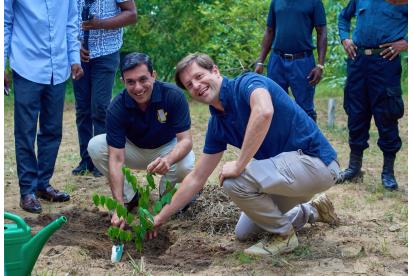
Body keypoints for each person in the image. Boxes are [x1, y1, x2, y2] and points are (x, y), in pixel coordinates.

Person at [147, 53, 340, 256]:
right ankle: (313, 210)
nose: (196, 85)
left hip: (316, 164)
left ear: (215, 71)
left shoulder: (248, 83)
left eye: (199, 76)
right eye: (189, 84)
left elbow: (264, 111)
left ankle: (284, 237)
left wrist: (240, 164)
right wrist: (161, 217)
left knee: (234, 180)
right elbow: (196, 178)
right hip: (290, 178)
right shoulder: (217, 124)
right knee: (245, 232)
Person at [87, 53, 195, 228]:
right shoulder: (117, 107)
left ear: (153, 75)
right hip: (133, 150)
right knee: (96, 145)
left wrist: (168, 159)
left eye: (143, 79)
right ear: (123, 81)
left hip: (166, 149)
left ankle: (166, 194)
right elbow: (116, 158)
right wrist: (118, 204)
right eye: (130, 82)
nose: (138, 88)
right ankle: (129, 197)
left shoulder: (173, 95)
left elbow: (186, 141)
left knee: (186, 162)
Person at [4, 0, 84, 213]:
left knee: (52, 130)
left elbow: (70, 23)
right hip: (26, 65)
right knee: (25, 132)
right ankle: (27, 191)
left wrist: (74, 58)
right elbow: (5, 22)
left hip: (58, 67)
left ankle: (42, 184)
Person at [337, 0, 407, 191]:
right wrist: (345, 38)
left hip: (385, 62)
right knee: (356, 112)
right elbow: (343, 17)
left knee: (387, 113)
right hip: (357, 62)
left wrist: (406, 42)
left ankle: (388, 172)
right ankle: (354, 167)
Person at [72, 0, 137, 177]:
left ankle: (100, 160)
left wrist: (98, 24)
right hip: (78, 54)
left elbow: (131, 14)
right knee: (82, 109)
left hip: (106, 52)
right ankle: (86, 160)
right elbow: (63, 18)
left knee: (100, 107)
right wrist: (73, 46)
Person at [255, 0, 327, 122]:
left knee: (305, 109)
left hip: (303, 62)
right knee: (274, 105)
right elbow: (269, 31)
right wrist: (260, 61)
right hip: (277, 61)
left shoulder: (315, 2)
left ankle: (307, 141)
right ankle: (279, 140)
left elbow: (322, 32)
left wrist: (320, 65)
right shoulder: (276, 2)